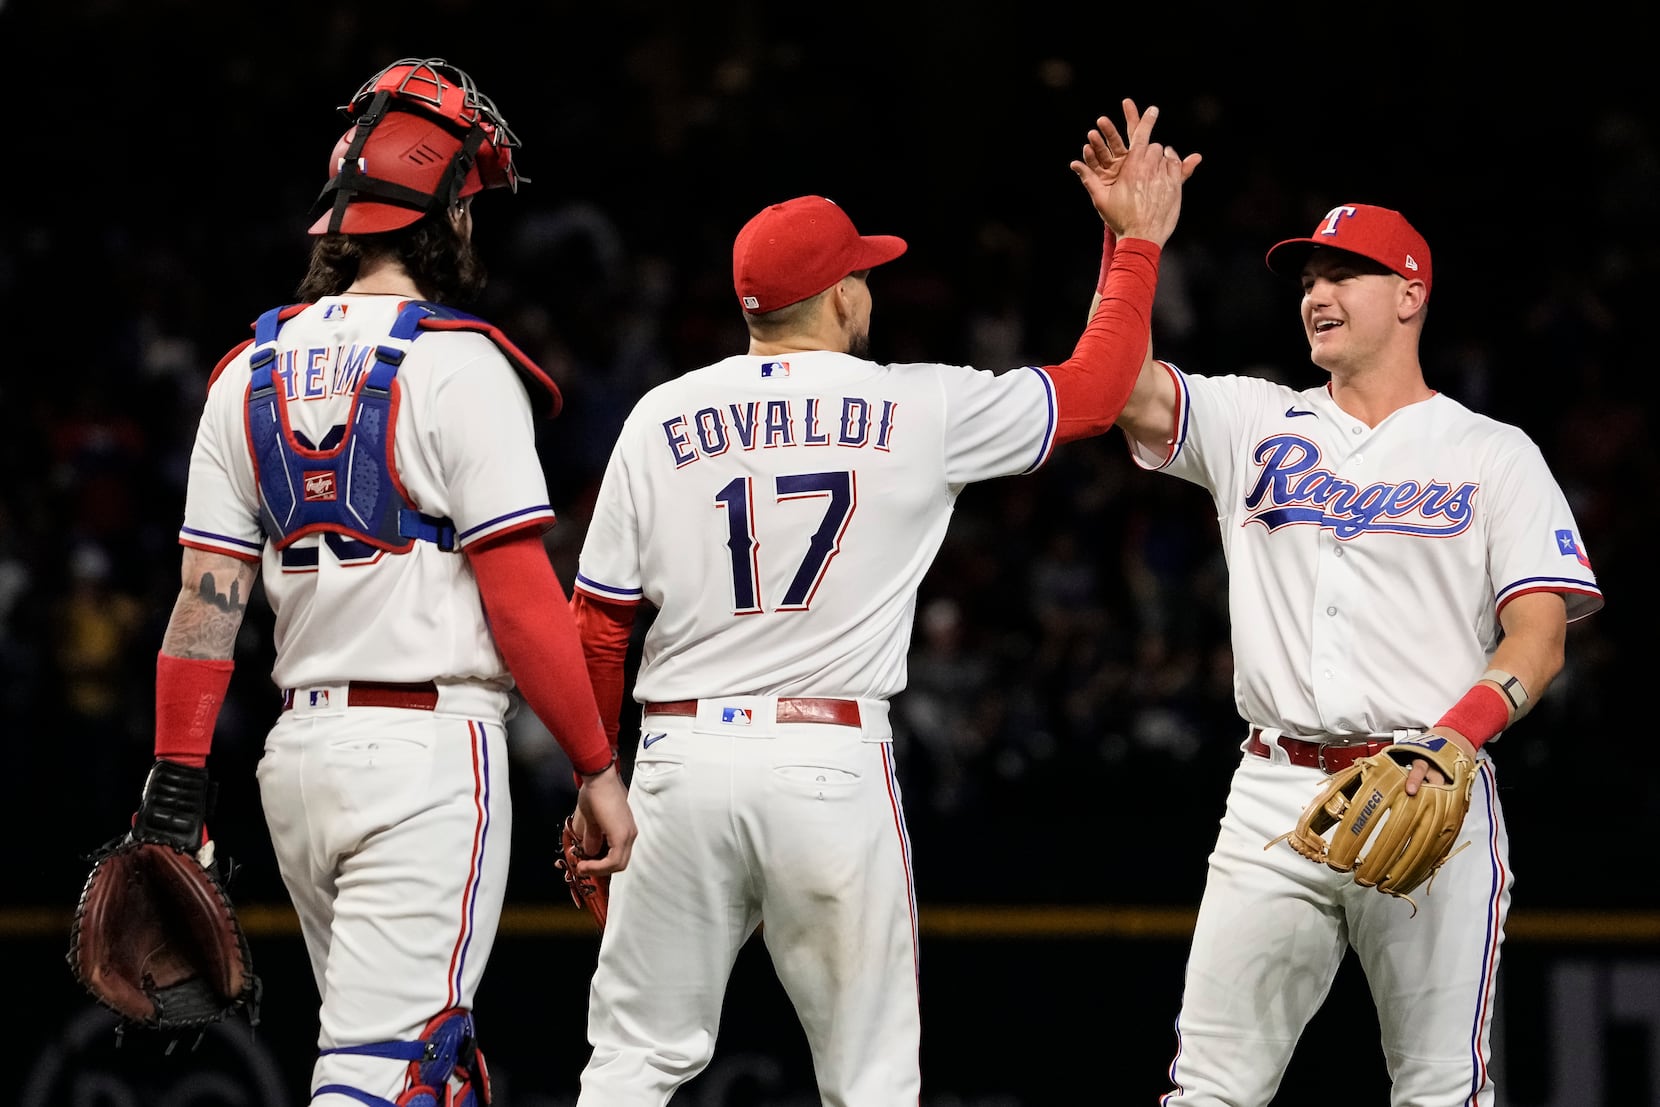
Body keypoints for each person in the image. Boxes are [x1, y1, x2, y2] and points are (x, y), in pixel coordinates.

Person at [563, 103, 1197, 1104]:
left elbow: (597, 626)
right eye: (858, 271)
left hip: (679, 759)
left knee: (634, 1062)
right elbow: (1100, 384)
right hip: (825, 759)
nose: (868, 285)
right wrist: (1134, 243)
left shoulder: (661, 414)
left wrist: (596, 775)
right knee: (868, 1081)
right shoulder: (916, 405)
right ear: (834, 295)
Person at [1074, 102, 1605, 1105]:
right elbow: (1107, 390)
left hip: (1430, 788)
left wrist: (1453, 740)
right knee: (1210, 1091)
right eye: (1307, 278)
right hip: (1274, 791)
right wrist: (1130, 241)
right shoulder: (1252, 421)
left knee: (1442, 1090)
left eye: (1342, 273)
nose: (1316, 292)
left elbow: (1537, 637)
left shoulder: (1491, 453)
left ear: (1409, 294)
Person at [136, 57, 634, 1105]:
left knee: (429, 1070)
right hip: (426, 755)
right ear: (443, 212)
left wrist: (175, 784)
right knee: (391, 1071)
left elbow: (203, 606)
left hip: (300, 763)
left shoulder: (243, 372)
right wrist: (595, 765)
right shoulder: (459, 363)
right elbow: (519, 597)